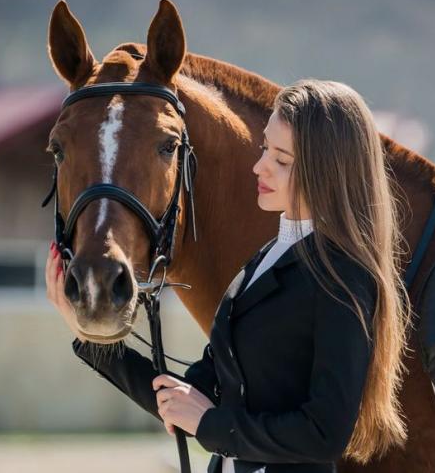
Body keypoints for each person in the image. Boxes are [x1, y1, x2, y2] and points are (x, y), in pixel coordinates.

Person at [45, 79, 412, 473]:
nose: (260, 166)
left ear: (328, 170)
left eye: (282, 159)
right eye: (265, 148)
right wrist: (88, 333)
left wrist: (210, 425)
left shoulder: (343, 276)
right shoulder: (263, 262)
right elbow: (187, 399)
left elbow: (325, 434)